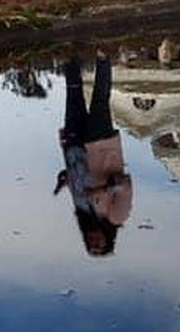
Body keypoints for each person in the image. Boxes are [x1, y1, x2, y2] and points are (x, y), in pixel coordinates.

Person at [54, 55, 132, 256]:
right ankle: (102, 57)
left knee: (73, 95)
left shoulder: (83, 215)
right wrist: (107, 188)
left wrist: (66, 180)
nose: (94, 241)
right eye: (99, 244)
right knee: (99, 100)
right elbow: (125, 186)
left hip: (75, 149)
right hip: (101, 147)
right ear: (108, 240)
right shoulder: (116, 216)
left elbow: (80, 182)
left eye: (90, 245)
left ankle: (69, 55)